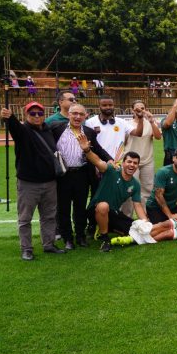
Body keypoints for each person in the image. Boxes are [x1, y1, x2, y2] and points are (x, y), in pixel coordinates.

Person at [1, 102, 65, 260]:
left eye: (40, 113)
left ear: (44, 115)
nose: (37, 116)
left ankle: (49, 244)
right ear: (26, 115)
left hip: (50, 182)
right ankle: (26, 249)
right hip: (28, 184)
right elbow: (14, 127)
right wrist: (9, 118)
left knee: (49, 216)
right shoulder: (23, 131)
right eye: (32, 113)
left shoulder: (48, 130)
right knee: (25, 219)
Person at [50, 103, 111, 250]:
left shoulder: (89, 132)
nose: (77, 117)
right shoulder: (56, 128)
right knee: (63, 208)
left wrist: (110, 160)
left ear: (85, 116)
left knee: (80, 208)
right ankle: (67, 238)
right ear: (68, 114)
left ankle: (80, 236)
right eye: (74, 113)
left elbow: (98, 149)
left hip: (82, 175)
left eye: (81, 114)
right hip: (63, 175)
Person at [77, 134, 148, 252]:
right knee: (103, 206)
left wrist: (145, 222)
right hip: (95, 209)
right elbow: (98, 162)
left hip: (113, 213)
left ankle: (106, 228)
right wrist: (87, 150)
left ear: (137, 166)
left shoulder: (135, 184)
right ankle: (105, 238)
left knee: (134, 229)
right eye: (129, 162)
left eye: (135, 163)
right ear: (123, 163)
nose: (132, 165)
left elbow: (138, 205)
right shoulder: (112, 171)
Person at [145, 149, 177, 224]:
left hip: (171, 206)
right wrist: (170, 215)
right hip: (155, 206)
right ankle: (149, 219)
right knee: (165, 225)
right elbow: (158, 196)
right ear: (173, 158)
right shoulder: (163, 172)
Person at [84, 95, 142, 161]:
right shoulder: (90, 122)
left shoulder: (122, 122)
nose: (108, 107)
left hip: (118, 162)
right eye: (104, 105)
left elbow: (138, 133)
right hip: (99, 161)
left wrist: (140, 118)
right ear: (99, 106)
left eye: (110, 105)